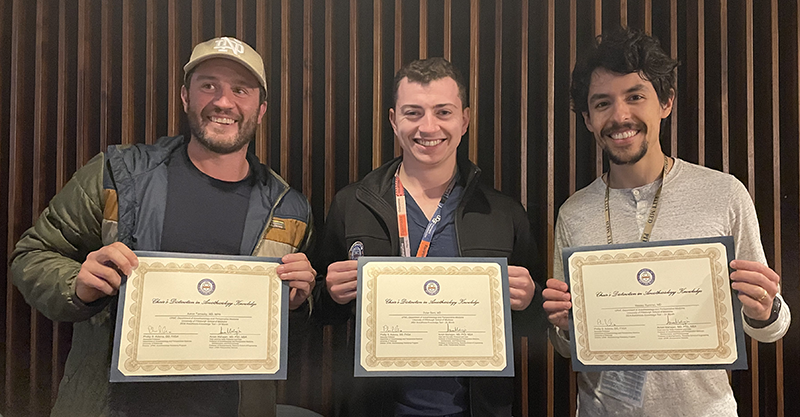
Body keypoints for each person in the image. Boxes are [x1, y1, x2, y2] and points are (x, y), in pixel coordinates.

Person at [11, 36, 316, 417]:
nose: (224, 102)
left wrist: (299, 304)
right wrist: (77, 285)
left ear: (261, 108)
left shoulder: (290, 208)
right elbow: (32, 256)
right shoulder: (117, 174)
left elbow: (292, 330)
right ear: (186, 97)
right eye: (209, 86)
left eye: (240, 89)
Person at [543, 28, 791, 416]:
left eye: (635, 97)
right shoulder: (574, 212)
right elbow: (567, 344)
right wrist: (561, 325)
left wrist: (764, 310)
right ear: (588, 119)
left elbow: (773, 325)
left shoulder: (723, 194)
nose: (620, 115)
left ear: (666, 102)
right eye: (602, 103)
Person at [314, 57, 543, 416]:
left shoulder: (503, 213)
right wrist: (329, 293)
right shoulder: (352, 204)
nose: (428, 126)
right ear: (393, 120)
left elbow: (538, 322)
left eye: (443, 112)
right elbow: (319, 311)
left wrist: (529, 299)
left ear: (464, 120)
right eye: (413, 112)